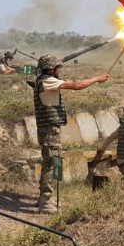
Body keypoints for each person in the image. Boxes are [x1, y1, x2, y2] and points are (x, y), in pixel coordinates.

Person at [32, 54, 109, 213]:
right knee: (51, 164)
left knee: (51, 163)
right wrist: (96, 79)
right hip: (50, 130)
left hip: (49, 129)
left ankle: (45, 198)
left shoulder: (45, 80)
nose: (59, 70)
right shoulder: (47, 80)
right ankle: (45, 201)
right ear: (50, 69)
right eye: (57, 67)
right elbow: (76, 85)